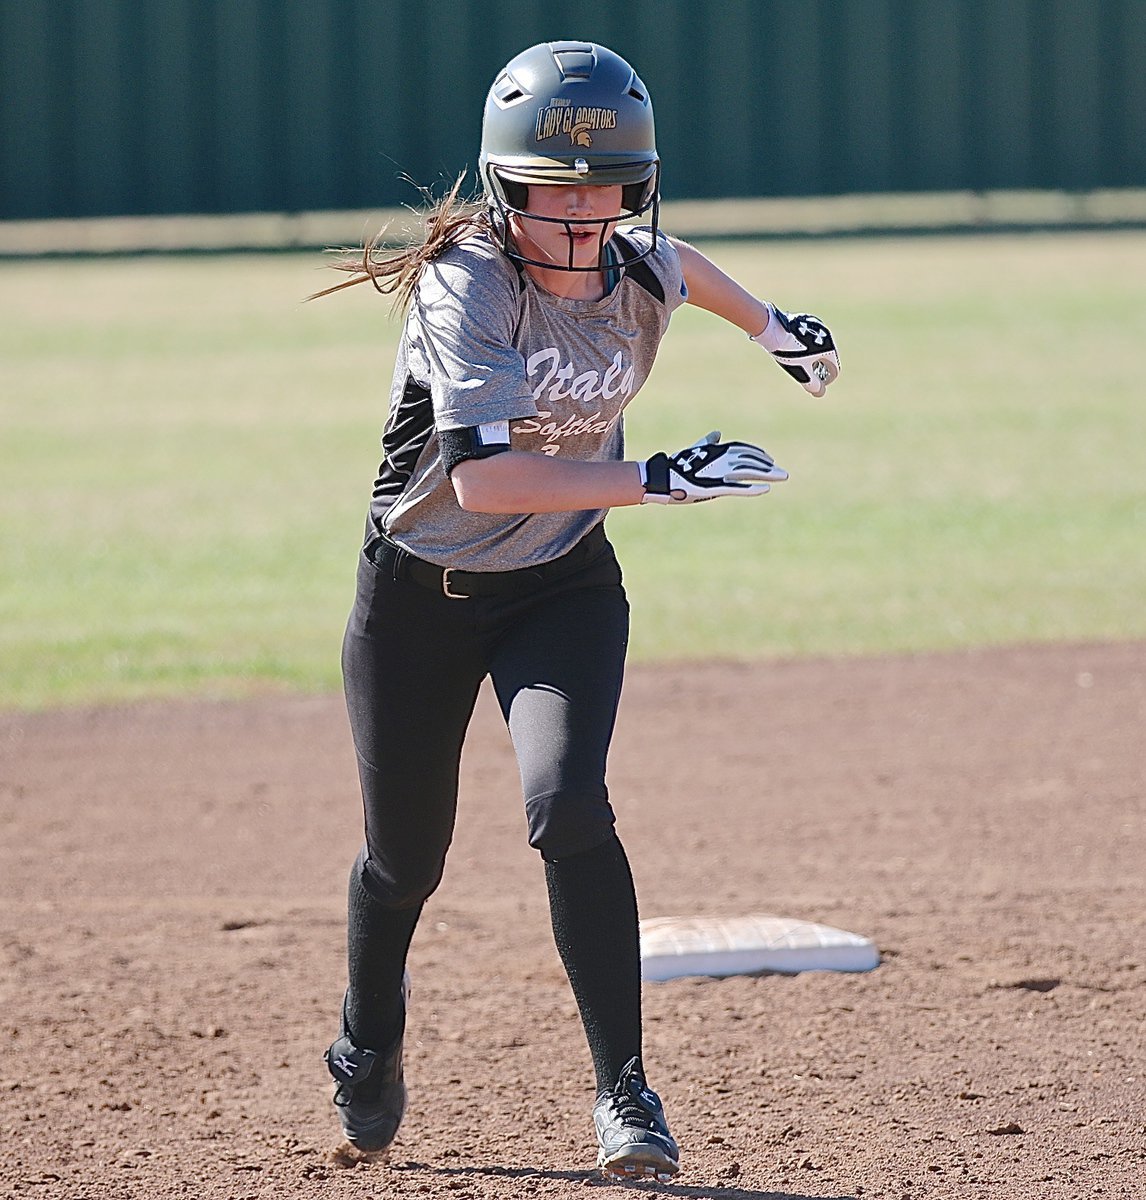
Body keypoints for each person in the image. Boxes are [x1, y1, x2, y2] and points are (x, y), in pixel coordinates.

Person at [317, 40, 840, 1182]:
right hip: (419, 595)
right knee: (406, 862)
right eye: (556, 195)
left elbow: (680, 266)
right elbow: (487, 483)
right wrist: (658, 477)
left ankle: (626, 1095)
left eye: (607, 192)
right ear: (506, 192)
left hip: (560, 587)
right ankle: (367, 1035)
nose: (584, 218)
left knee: (569, 806)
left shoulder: (632, 258)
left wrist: (772, 327)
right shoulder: (470, 284)